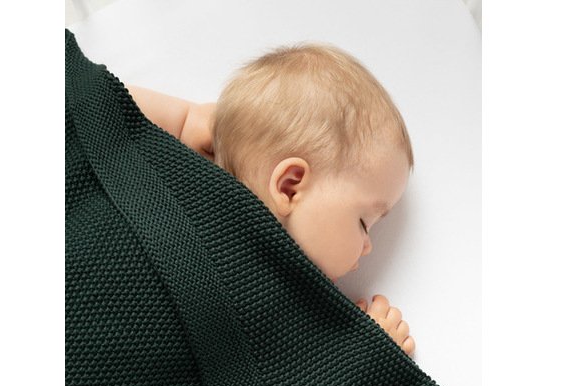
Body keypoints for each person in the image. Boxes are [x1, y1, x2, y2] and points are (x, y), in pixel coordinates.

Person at [126, 42, 416, 357]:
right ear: (290, 187)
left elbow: (293, 372)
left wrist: (366, 350)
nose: (368, 247)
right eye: (363, 223)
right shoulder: (186, 182)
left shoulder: (298, 304)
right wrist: (187, 120)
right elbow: (101, 112)